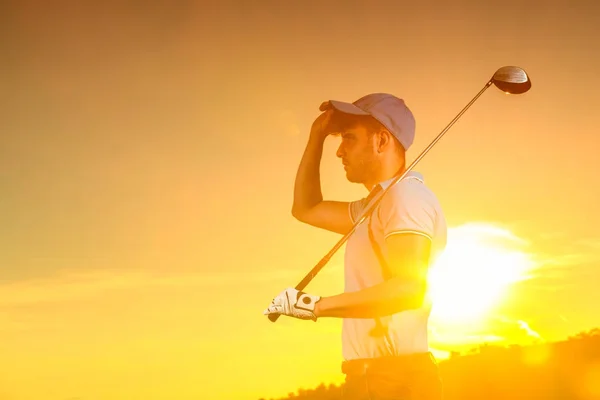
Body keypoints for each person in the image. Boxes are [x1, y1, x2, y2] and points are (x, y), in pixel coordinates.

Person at [263, 93, 448, 400]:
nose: (339, 151)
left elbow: (408, 288)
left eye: (349, 138)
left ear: (382, 140)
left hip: (393, 380)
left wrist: (315, 306)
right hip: (377, 378)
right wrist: (316, 137)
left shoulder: (405, 200)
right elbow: (306, 208)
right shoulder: (376, 204)